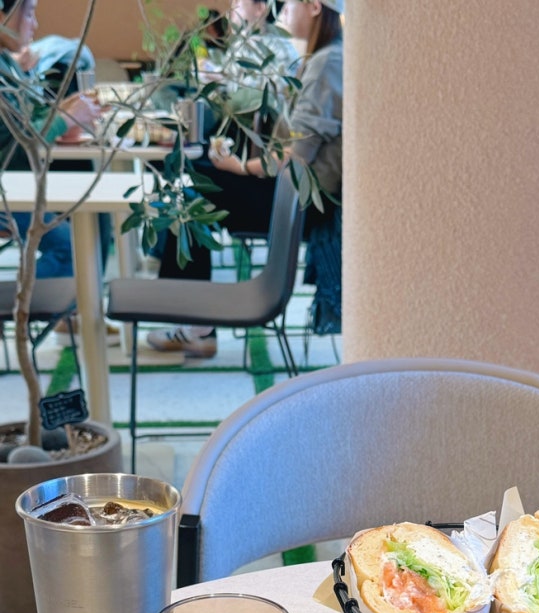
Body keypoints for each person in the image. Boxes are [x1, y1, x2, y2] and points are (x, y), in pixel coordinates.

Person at [147, 0, 342, 358]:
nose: (282, 11)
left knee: (191, 185)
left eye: (288, 3)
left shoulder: (328, 61)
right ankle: (191, 320)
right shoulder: (323, 58)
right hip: (293, 192)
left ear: (314, 7)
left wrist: (240, 167)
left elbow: (297, 154)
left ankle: (190, 321)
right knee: (190, 179)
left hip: (301, 202)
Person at [0, 0, 101, 280]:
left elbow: (23, 123)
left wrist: (65, 111)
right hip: (8, 190)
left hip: (17, 184)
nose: (35, 25)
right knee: (72, 248)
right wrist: (64, 119)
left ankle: (78, 304)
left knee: (96, 219)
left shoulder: (7, 63)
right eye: (29, 14)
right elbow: (17, 147)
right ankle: (19, 303)